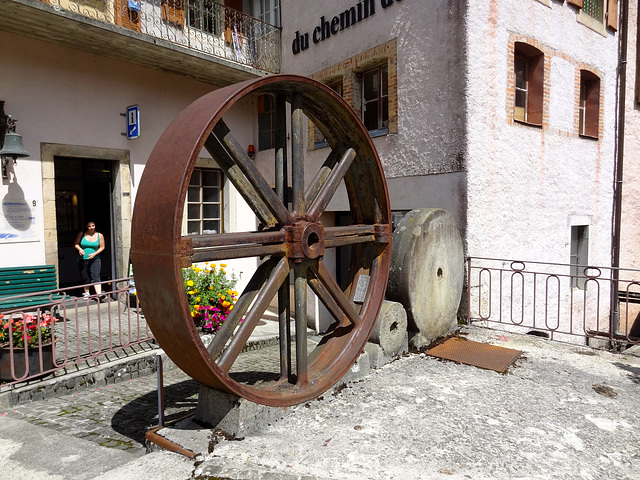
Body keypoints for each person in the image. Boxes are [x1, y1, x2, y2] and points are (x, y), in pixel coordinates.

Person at [74, 221, 105, 299]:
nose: (91, 228)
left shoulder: (99, 235)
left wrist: (94, 254)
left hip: (95, 258)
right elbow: (76, 244)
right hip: (83, 258)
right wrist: (80, 250)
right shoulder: (82, 234)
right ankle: (87, 293)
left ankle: (99, 293)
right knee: (85, 276)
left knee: (96, 275)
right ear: (86, 227)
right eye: (89, 226)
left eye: (93, 226)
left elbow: (102, 247)